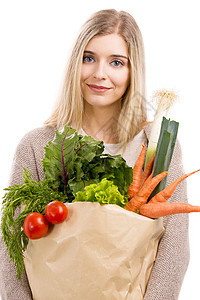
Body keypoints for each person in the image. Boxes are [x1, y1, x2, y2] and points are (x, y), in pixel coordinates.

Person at [0, 9, 189, 299]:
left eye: (116, 62)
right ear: (75, 62)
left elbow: (174, 249)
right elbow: (10, 248)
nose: (99, 73)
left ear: (132, 71)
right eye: (89, 58)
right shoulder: (37, 146)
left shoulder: (159, 147)